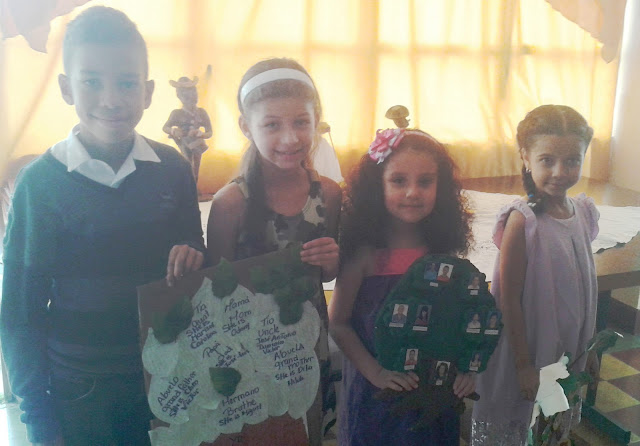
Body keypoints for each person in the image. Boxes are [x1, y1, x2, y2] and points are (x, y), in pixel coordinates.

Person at [0, 7, 206, 446]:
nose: (111, 99)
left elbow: (193, 242)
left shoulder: (172, 168)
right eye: (92, 82)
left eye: (127, 83)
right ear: (66, 88)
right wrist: (37, 417)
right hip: (81, 391)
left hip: (167, 378)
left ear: (148, 92)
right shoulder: (39, 185)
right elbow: (20, 311)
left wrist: (192, 250)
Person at [206, 57, 341, 446]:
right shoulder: (231, 203)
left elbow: (327, 274)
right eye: (271, 125)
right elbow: (215, 292)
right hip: (248, 352)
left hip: (307, 345)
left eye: (301, 122)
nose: (290, 138)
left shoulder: (328, 194)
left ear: (316, 121)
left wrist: (332, 261)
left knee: (305, 430)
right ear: (246, 127)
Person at [329, 127, 475, 446]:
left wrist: (466, 366)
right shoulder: (364, 256)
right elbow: (338, 323)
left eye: (425, 181)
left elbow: (459, 319)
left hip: (433, 392)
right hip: (377, 396)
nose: (412, 192)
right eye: (398, 181)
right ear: (376, 186)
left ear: (441, 187)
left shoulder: (442, 253)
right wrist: (376, 373)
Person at [471, 105, 600, 445]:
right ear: (526, 157)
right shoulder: (522, 221)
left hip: (569, 348)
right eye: (547, 160)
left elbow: (581, 290)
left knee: (552, 426)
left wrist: (588, 348)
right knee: (522, 423)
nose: (560, 171)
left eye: (571, 160)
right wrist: (524, 366)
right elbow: (508, 299)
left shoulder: (582, 212)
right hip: (528, 350)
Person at [162, 76, 212, 183]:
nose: (191, 97)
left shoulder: (201, 112)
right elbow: (165, 127)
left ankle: (194, 186)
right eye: (186, 95)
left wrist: (201, 134)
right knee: (187, 165)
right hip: (184, 142)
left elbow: (209, 132)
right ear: (180, 96)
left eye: (193, 93)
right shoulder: (176, 113)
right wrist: (173, 131)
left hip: (197, 143)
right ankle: (188, 185)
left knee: (196, 167)